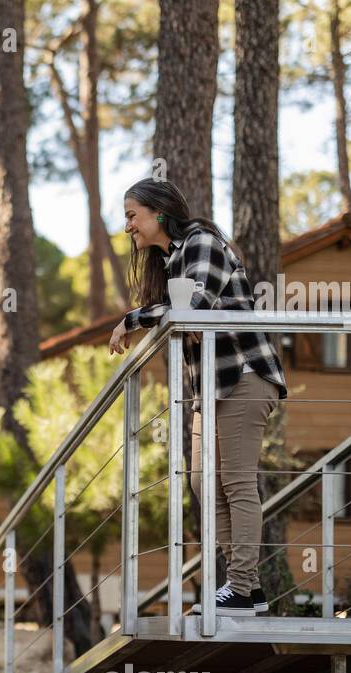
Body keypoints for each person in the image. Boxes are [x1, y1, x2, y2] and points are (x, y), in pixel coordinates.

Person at [109, 178, 287, 616]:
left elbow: (198, 307)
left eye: (133, 214)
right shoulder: (171, 261)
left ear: (159, 213)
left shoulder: (200, 242)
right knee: (202, 482)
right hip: (209, 389)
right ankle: (247, 589)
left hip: (244, 374)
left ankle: (242, 588)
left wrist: (135, 318)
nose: (128, 225)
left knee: (237, 481)